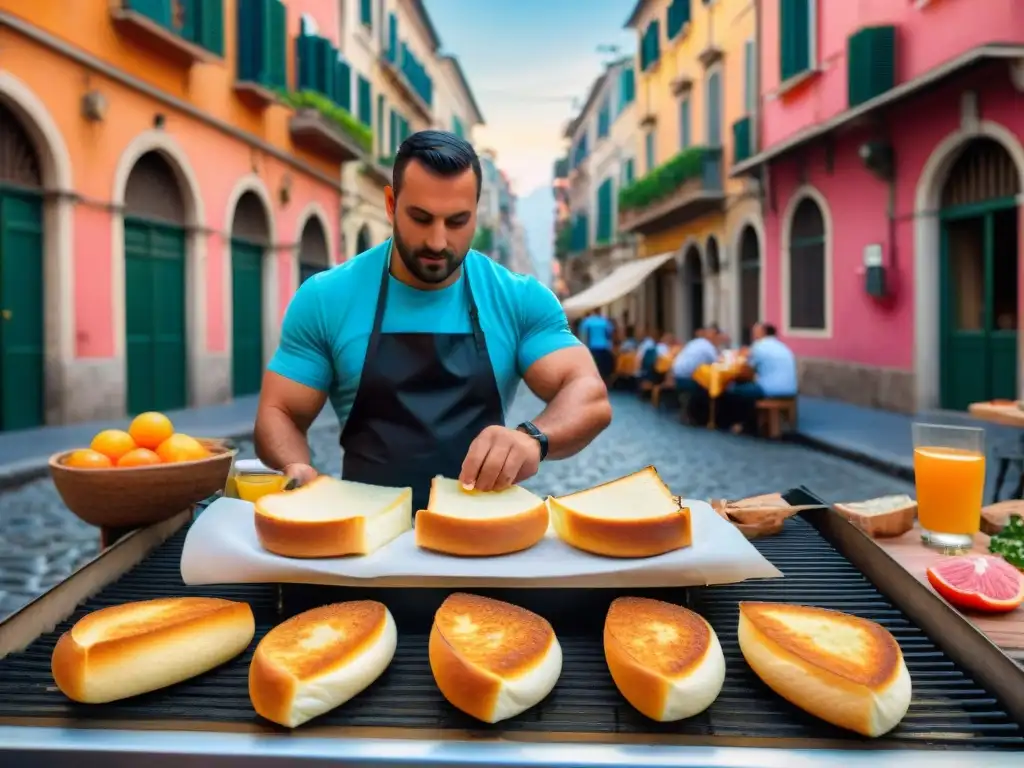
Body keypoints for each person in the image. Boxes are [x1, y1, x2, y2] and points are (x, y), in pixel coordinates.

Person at [253, 130, 612, 511]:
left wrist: (533, 438)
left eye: (457, 221)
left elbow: (587, 393)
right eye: (421, 218)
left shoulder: (519, 299)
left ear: (477, 211)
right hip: (367, 538)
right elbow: (280, 412)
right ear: (391, 204)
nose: (438, 242)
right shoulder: (326, 297)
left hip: (480, 535)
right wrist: (295, 468)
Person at [722, 322, 797, 434]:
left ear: (762, 333)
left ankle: (743, 424)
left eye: (755, 333)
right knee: (749, 388)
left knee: (734, 390)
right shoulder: (783, 346)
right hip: (791, 390)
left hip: (769, 389)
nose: (753, 336)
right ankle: (760, 422)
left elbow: (747, 367)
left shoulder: (759, 346)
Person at [671, 327, 718, 423]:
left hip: (677, 376)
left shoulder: (694, 342)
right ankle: (708, 416)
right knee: (708, 387)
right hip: (687, 378)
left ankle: (688, 410)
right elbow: (716, 363)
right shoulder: (708, 346)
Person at [578, 309, 615, 380]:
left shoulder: (587, 321)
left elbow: (583, 334)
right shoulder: (604, 321)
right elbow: (609, 333)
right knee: (603, 367)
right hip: (604, 346)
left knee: (594, 365)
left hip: (592, 347)